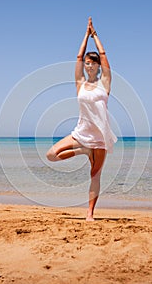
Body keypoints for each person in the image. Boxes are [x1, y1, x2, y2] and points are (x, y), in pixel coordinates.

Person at [46, 17, 117, 221]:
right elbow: (77, 56)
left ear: (97, 66)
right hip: (81, 132)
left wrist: (95, 35)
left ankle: (90, 213)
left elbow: (104, 55)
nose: (88, 66)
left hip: (100, 136)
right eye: (86, 63)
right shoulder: (80, 83)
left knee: (95, 175)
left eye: (92, 63)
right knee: (51, 154)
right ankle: (82, 151)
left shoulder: (105, 83)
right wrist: (85, 36)